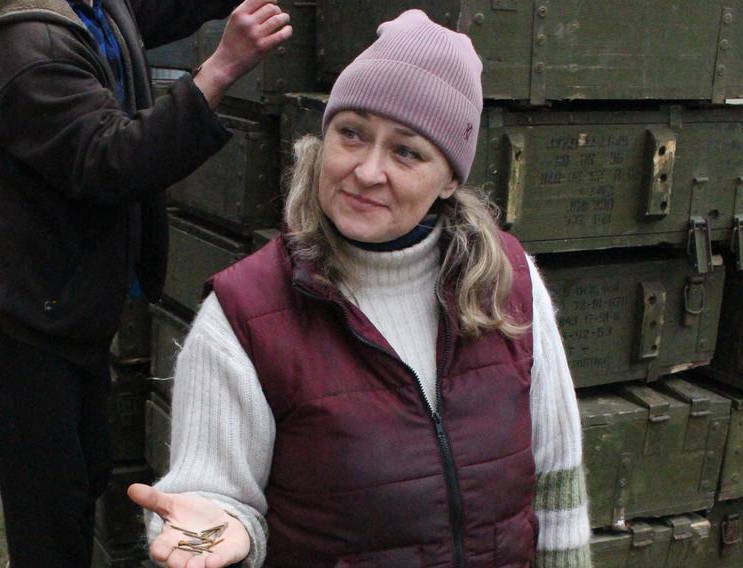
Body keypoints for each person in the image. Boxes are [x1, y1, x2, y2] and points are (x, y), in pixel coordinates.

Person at [128, 9, 592, 568]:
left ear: (449, 178)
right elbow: (211, 498)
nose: (368, 171)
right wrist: (214, 526)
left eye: (407, 151)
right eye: (351, 133)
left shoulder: (509, 284)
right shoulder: (245, 318)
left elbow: (558, 480)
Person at [0, 0, 292, 565]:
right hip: (24, 316)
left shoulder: (86, 5)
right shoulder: (23, 48)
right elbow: (111, 160)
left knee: (86, 476)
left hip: (64, 301)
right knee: (50, 519)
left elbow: (152, 12)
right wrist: (220, 69)